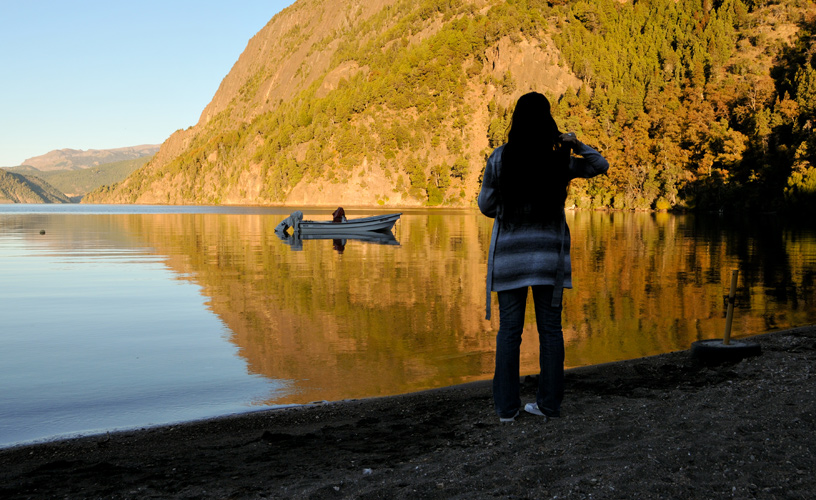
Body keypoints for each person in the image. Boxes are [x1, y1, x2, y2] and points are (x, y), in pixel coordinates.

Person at [478, 91, 609, 423]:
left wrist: (510, 207)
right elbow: (600, 165)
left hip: (510, 260)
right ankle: (549, 405)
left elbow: (486, 207)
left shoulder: (500, 158)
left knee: (510, 331)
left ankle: (506, 410)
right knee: (551, 331)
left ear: (516, 121)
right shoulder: (557, 160)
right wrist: (575, 143)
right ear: (548, 120)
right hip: (549, 261)